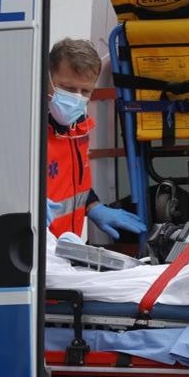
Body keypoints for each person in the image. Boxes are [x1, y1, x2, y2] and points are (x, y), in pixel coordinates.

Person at [45, 38, 146, 240]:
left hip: (65, 248)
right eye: (68, 88)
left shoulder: (79, 126)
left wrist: (93, 205)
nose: (77, 98)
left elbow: (74, 181)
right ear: (47, 79)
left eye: (86, 91)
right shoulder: (26, 129)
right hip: (36, 252)